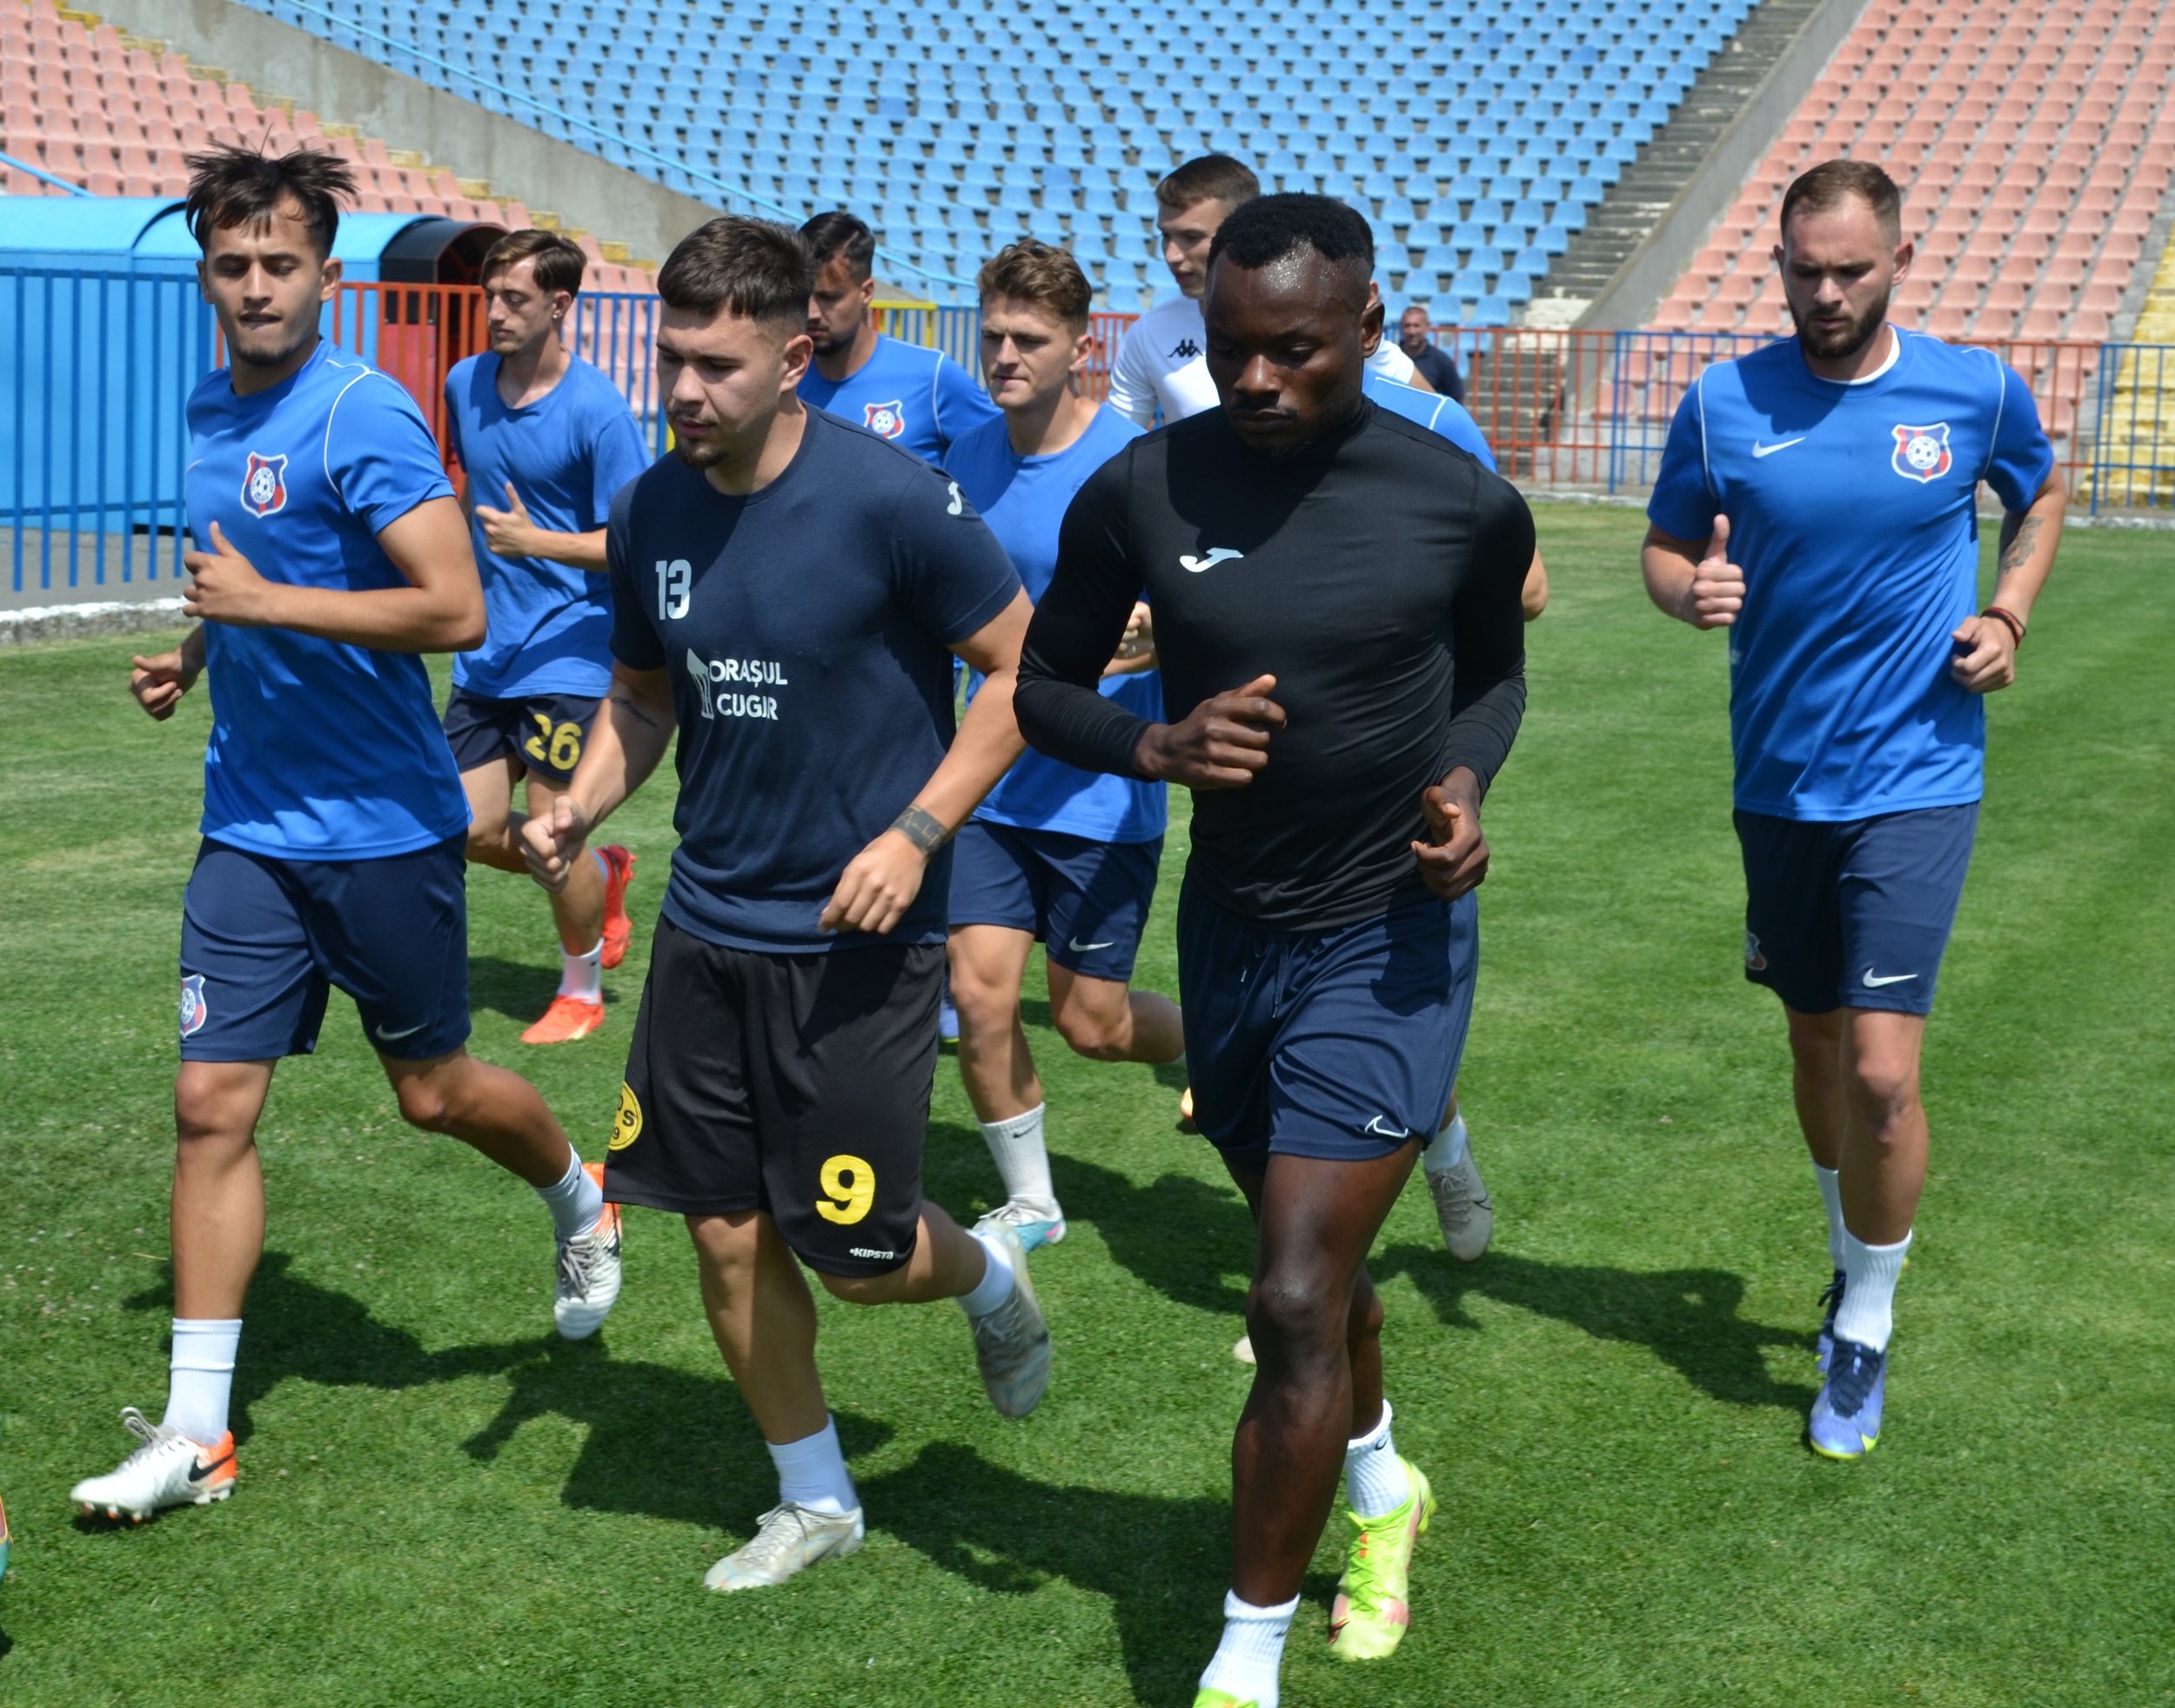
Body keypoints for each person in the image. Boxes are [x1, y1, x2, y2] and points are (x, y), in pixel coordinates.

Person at [1016, 195, 1533, 1704]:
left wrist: (1461, 785)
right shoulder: (1141, 487)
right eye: (1231, 347)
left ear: (1367, 329)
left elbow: (1495, 681)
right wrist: (1154, 743)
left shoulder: (1458, 500)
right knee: (1321, 1271)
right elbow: (1043, 683)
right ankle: (1380, 1483)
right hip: (1235, 931)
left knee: (1294, 1293)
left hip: (1392, 935)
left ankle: (1242, 1658)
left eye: (1293, 350)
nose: (1254, 379)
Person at [72, 147, 622, 1525]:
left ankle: (580, 1197)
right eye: (232, 265)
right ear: (207, 278)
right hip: (250, 822)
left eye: (280, 264)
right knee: (210, 1104)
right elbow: (257, 573)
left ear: (326, 274)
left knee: (432, 1093)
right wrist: (199, 649)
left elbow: (454, 608)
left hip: (380, 827)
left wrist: (261, 608)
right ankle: (199, 1433)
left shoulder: (360, 411)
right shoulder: (209, 403)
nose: (255, 286)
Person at [521, 216, 1052, 1593]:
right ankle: (815, 1496)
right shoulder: (651, 508)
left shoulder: (891, 500)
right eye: (671, 360)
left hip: (859, 938)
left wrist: (918, 832)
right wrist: (582, 801)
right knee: (720, 1226)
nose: (684, 391)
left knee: (860, 1256)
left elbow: (1023, 672)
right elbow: (642, 697)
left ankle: (989, 1277)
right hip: (708, 927)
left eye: (717, 365)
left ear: (794, 357)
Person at [1641, 159, 2063, 1462]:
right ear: (1779, 264)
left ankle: (1865, 1324)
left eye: (1851, 271)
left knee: (1882, 1068)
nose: (1826, 293)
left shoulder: (1973, 390)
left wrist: (2007, 612)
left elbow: (2040, 492)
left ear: (1899, 262)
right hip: (1779, 780)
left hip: (1920, 775)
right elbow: (1665, 542)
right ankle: (1846, 1252)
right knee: (1815, 1041)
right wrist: (1687, 591)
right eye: (1804, 270)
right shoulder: (1721, 402)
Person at [940, 240, 1184, 1252]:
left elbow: (1187, 613)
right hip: (990, 784)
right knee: (976, 992)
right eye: (994, 334)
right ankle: (1033, 1203)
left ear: (1079, 347)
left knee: (1092, 1024)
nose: (1005, 355)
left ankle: (1218, 1043)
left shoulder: (1136, 465)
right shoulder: (964, 458)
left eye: (1029, 339)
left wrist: (1134, 641)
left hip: (1098, 790)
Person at [440, 228, 651, 1045]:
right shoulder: (465, 382)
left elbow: (635, 542)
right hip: (487, 650)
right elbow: (477, 492)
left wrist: (539, 544)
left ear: (560, 305)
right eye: (489, 297)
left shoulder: (598, 411)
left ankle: (580, 989)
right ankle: (603, 873)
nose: (494, 312)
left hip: (573, 647)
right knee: (465, 828)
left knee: (548, 831)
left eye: (514, 299)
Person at [1108, 156, 1422, 431]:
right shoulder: (1149, 333)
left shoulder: (1329, 326)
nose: (1171, 255)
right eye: (1166, 236)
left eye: (1191, 237)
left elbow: (1433, 417)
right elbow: (1117, 443)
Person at [796, 209, 1000, 461]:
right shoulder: (783, 379)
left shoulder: (933, 377)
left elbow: (1001, 455)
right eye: (803, 295)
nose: (811, 312)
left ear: (866, 293)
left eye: (829, 297)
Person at [1396, 305, 1464, 401]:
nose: (1412, 332)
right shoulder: (1392, 357)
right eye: (1407, 326)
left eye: (1417, 326)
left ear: (1428, 326)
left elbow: (1457, 399)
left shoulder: (1441, 361)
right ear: (1401, 326)